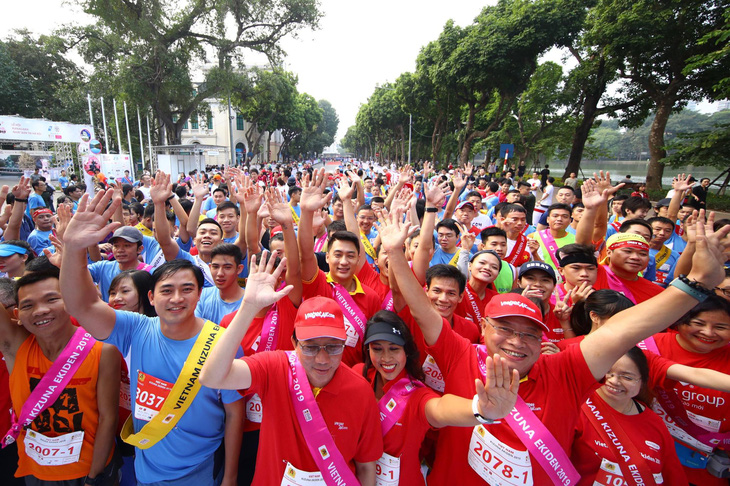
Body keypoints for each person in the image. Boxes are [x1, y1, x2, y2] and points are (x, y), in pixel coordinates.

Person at [381, 204, 730, 485]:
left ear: (542, 335)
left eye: (530, 332)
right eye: (505, 328)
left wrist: (696, 284)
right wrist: (396, 252)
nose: (517, 341)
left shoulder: (565, 369)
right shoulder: (459, 354)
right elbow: (420, 307)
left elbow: (623, 331)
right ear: (483, 328)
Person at [58, 189, 245, 485]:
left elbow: (235, 413)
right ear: (151, 297)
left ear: (200, 295)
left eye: (187, 289)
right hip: (147, 465)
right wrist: (73, 247)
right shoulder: (134, 329)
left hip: (204, 467)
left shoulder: (223, 342)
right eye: (167, 290)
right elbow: (80, 305)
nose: (176, 299)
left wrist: (231, 477)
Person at [200, 257, 383, 485]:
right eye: (311, 347)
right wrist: (248, 308)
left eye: (333, 347)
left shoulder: (360, 391)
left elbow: (366, 468)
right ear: (294, 343)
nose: (322, 359)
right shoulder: (274, 367)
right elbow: (212, 376)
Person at [356, 311, 520, 486]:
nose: (386, 358)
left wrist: (480, 410)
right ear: (367, 349)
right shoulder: (358, 376)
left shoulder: (417, 395)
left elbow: (440, 408)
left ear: (407, 351)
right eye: (377, 348)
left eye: (394, 349)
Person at [0, 268, 121, 485]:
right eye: (28, 305)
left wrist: (93, 478)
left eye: (52, 299)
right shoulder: (17, 348)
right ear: (17, 315)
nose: (41, 310)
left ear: (70, 303)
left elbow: (107, 419)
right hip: (35, 471)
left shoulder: (103, 352)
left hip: (87, 470)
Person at [571, 348, 688, 485]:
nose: (614, 381)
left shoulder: (654, 423)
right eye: (607, 371)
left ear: (642, 382)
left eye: (627, 377)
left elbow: (673, 476)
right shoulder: (578, 408)